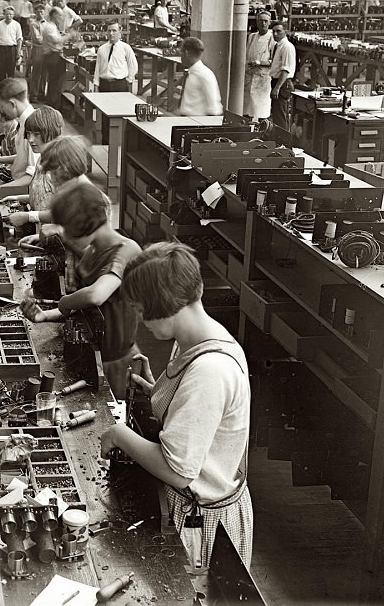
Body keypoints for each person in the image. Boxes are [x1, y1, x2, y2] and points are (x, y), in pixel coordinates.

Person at [100, 241, 252, 572]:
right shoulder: (196, 339)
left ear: (165, 305)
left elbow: (179, 471)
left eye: (140, 311)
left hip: (201, 523)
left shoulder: (209, 371)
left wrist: (120, 435)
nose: (140, 322)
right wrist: (156, 389)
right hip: (189, 504)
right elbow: (197, 416)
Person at [21, 182, 141, 397]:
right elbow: (84, 310)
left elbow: (95, 295)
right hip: (88, 354)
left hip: (115, 363)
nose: (67, 235)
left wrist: (65, 303)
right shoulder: (92, 252)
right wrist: (44, 316)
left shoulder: (126, 250)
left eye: (69, 228)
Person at [0, 106, 65, 223]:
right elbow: (44, 197)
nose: (31, 140)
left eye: (36, 134)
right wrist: (18, 198)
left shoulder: (60, 168)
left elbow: (65, 213)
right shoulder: (41, 159)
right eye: (28, 134)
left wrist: (28, 217)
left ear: (52, 133)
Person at [0, 77, 39, 186]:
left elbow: (32, 175)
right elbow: (24, 158)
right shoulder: (24, 123)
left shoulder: (32, 126)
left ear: (12, 104)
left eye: (1, 105)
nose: (1, 110)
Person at [177, 37, 223, 116]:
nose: (180, 56)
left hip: (196, 122)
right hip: (185, 119)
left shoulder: (205, 75)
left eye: (181, 52)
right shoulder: (191, 72)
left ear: (186, 53)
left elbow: (214, 109)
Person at [244, 11, 275, 120]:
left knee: (261, 111)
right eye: (261, 21)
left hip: (262, 79)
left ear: (270, 22)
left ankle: (263, 132)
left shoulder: (272, 39)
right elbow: (247, 56)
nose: (263, 23)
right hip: (250, 77)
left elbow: (274, 62)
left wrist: (260, 63)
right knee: (247, 110)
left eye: (266, 21)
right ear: (257, 22)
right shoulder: (252, 37)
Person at [94, 21, 138, 93]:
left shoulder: (126, 48)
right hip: (104, 85)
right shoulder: (101, 49)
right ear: (106, 32)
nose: (111, 33)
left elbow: (133, 66)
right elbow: (97, 69)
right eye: (109, 31)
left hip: (119, 85)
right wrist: (96, 86)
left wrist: (129, 80)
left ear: (119, 32)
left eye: (114, 31)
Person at [269, 21, 296, 130]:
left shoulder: (287, 47)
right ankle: (280, 141)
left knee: (281, 116)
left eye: (278, 31)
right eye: (273, 32)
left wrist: (277, 88)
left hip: (283, 83)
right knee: (277, 115)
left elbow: (286, 70)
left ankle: (283, 143)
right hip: (277, 82)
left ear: (286, 31)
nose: (275, 34)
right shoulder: (278, 46)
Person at [0, 6, 24, 82]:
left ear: (13, 15)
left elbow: (19, 39)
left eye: (11, 14)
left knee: (11, 71)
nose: (9, 16)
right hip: (1, 49)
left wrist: (18, 51)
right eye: (7, 14)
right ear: (4, 14)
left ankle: (10, 89)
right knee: (1, 71)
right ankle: (1, 90)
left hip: (12, 49)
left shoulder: (17, 25)